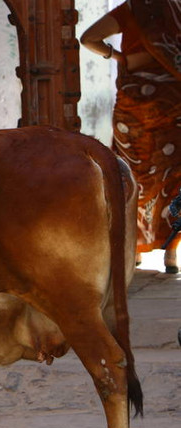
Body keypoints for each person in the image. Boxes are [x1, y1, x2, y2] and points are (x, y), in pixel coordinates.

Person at [81, 0, 181, 274]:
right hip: (173, 102)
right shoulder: (176, 11)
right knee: (172, 175)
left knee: (135, 173)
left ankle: (136, 248)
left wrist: (120, 57)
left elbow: (89, 38)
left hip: (136, 103)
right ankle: (170, 251)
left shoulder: (133, 9)